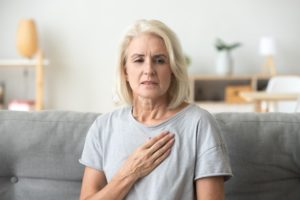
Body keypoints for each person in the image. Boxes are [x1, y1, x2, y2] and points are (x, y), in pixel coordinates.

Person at [79, 19, 232, 200]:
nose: (149, 69)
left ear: (173, 69)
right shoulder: (103, 127)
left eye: (159, 60)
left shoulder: (199, 124)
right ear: (125, 71)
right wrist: (129, 173)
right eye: (139, 60)